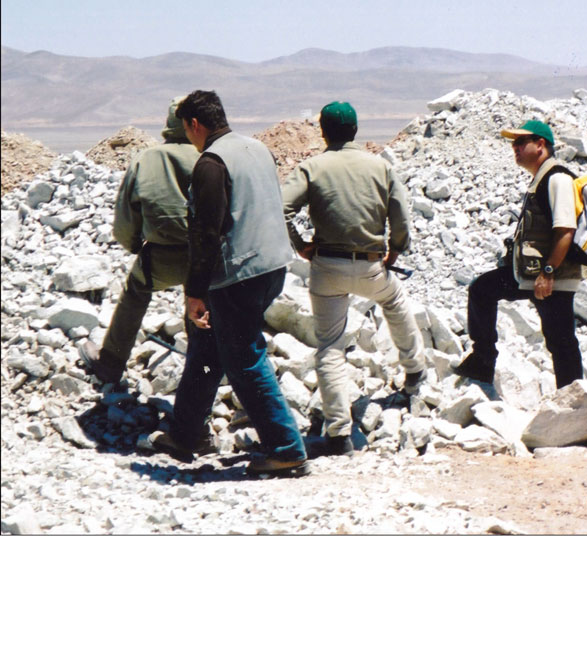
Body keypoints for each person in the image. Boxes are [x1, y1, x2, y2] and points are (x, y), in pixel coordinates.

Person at [149, 90, 307, 476]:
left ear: (194, 125)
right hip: (272, 265)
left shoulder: (211, 163)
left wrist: (194, 292)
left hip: (239, 274)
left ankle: (286, 448)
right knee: (206, 349)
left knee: (244, 359)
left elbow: (206, 232)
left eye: (187, 130)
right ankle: (185, 435)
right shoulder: (256, 148)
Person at [281, 101, 426, 456]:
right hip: (371, 265)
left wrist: (300, 246)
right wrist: (395, 251)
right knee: (393, 300)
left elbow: (280, 208)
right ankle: (415, 372)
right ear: (356, 131)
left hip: (326, 267)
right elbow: (402, 218)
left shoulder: (311, 167)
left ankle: (338, 433)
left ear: (324, 132)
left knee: (330, 345)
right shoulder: (381, 166)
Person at [453, 119, 587, 388]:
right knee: (482, 290)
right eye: (513, 143)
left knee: (560, 340)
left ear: (540, 145)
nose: (514, 148)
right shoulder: (542, 178)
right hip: (530, 275)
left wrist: (547, 272)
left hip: (552, 277)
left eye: (520, 142)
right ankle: (482, 362)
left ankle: (575, 399)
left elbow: (565, 231)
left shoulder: (558, 178)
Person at [80, 98, 200, 386]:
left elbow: (126, 216)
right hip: (207, 257)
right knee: (201, 309)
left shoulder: (147, 159)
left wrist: (134, 245)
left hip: (160, 257)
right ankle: (202, 370)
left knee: (135, 294)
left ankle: (110, 362)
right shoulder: (211, 156)